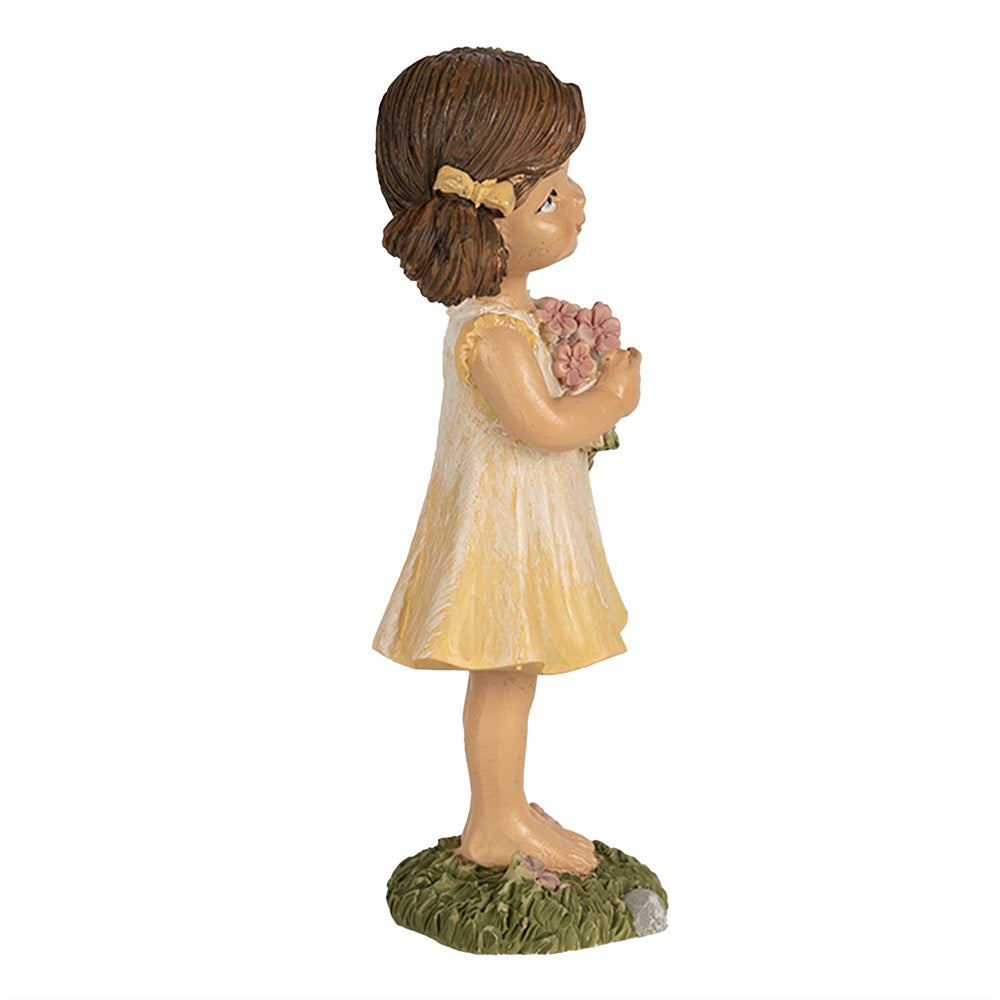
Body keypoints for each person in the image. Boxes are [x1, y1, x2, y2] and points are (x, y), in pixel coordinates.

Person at [373, 47, 641, 876]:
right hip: (503, 536)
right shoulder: (492, 333)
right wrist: (613, 398)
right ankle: (494, 822)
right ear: (483, 215)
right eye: (550, 193)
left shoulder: (512, 319)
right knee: (506, 672)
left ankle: (504, 807)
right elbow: (541, 426)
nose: (578, 199)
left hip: (525, 522)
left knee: (515, 674)